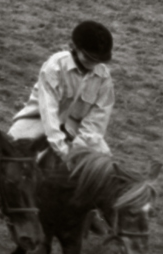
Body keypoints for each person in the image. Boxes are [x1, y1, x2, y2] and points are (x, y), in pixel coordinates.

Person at [9, 21, 115, 165]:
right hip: (39, 121)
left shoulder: (104, 78)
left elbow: (98, 119)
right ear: (74, 47)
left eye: (98, 60)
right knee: (13, 154)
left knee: (105, 166)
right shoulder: (55, 66)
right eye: (88, 57)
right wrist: (62, 149)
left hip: (77, 130)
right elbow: (49, 111)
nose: (93, 63)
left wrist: (79, 147)